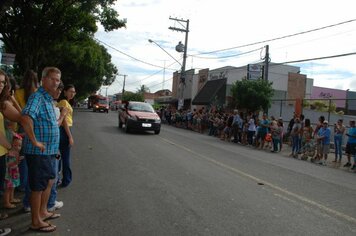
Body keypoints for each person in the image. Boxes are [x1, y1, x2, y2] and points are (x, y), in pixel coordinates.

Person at [20, 67, 62, 232]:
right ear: (43, 80)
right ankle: (36, 221)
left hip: (50, 151)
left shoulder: (48, 99)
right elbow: (25, 117)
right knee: (37, 187)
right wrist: (34, 141)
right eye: (52, 79)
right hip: (39, 152)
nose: (55, 83)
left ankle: (43, 212)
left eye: (57, 80)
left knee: (49, 182)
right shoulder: (37, 97)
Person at [0, 70, 22, 231]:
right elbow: (20, 116)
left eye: (2, 83)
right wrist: (10, 148)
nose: (1, 86)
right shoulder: (4, 104)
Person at [57, 84, 75, 188]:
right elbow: (64, 121)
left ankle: (61, 179)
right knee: (65, 157)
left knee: (60, 157)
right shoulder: (63, 102)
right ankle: (65, 180)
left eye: (74, 92)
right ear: (65, 92)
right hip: (64, 130)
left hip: (65, 130)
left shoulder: (66, 102)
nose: (72, 93)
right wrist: (70, 136)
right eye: (70, 91)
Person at [3, 134, 22, 209]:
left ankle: (11, 198)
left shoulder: (16, 152)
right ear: (11, 144)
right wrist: (16, 162)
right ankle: (6, 202)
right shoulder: (10, 153)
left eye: (19, 146)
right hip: (10, 173)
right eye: (15, 145)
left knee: (13, 186)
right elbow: (8, 164)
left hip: (14, 172)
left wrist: (18, 160)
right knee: (8, 188)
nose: (17, 147)